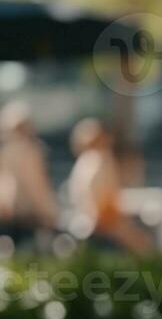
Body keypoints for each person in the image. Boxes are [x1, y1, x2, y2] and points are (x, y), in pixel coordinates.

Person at [66, 118, 152, 253]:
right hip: (101, 224)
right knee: (144, 245)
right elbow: (101, 204)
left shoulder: (85, 161)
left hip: (89, 221)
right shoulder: (100, 160)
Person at [0, 101, 61, 242]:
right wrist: (51, 213)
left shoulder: (6, 151)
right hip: (29, 214)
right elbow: (37, 186)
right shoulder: (31, 151)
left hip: (12, 213)